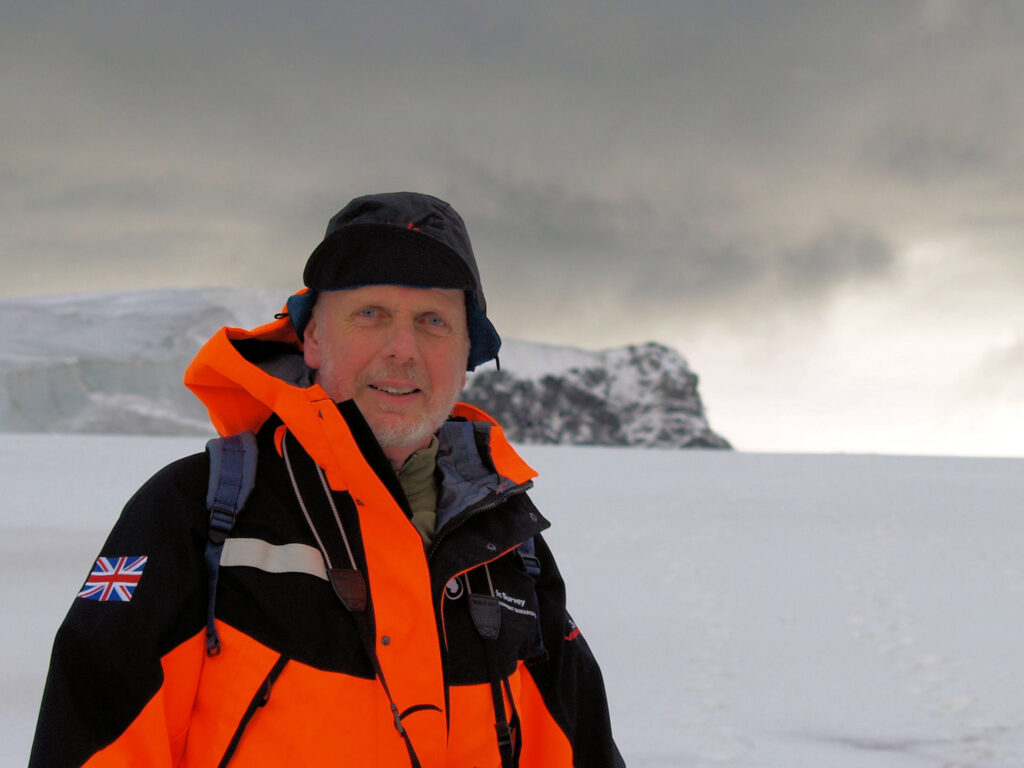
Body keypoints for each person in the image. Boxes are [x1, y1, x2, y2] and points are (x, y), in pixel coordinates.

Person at [30, 191, 625, 767]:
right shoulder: (195, 513)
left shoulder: (509, 547)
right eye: (371, 314)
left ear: (467, 355)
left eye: (433, 321)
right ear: (312, 336)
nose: (403, 348)